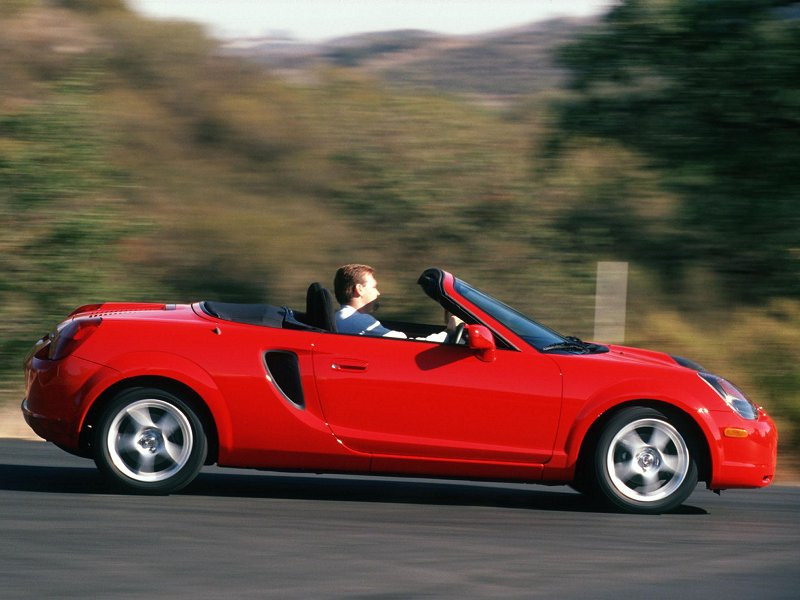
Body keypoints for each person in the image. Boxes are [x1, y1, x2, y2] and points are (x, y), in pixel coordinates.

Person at [333, 264, 462, 341]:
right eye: (373, 287)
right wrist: (449, 332)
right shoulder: (357, 321)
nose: (378, 293)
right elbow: (409, 346)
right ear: (359, 289)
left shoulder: (341, 318)